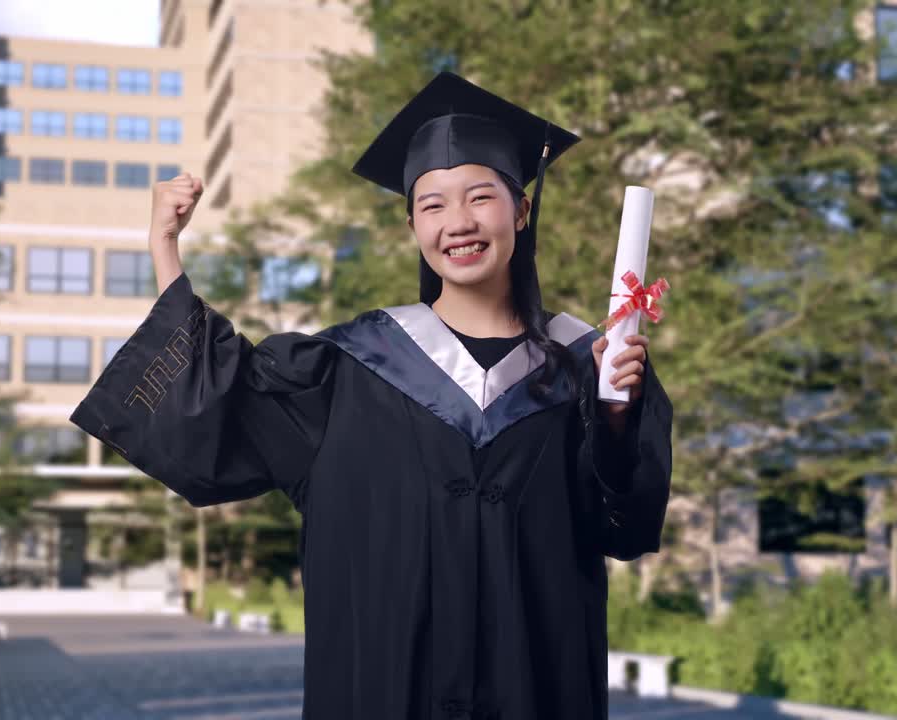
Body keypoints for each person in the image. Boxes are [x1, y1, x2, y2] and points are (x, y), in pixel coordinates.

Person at [70, 72, 672, 720]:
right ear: (412, 222)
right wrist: (165, 246)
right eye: (433, 204)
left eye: (481, 197)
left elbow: (628, 526)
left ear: (521, 210)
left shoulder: (590, 367)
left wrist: (613, 421)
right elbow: (219, 399)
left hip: (537, 693)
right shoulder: (348, 367)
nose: (459, 222)